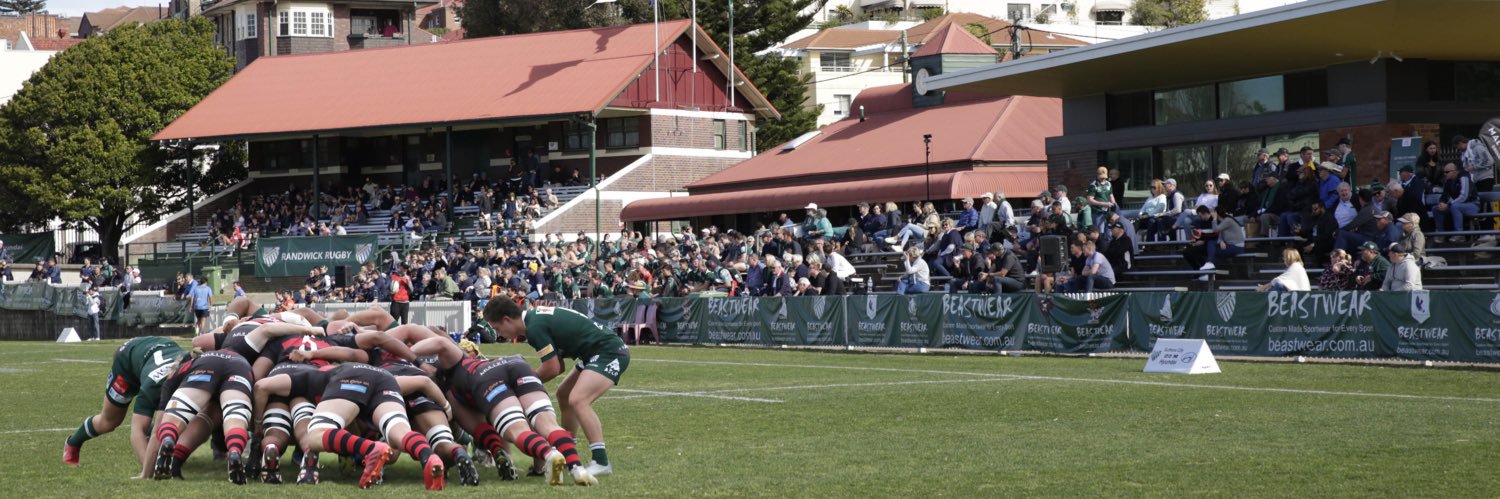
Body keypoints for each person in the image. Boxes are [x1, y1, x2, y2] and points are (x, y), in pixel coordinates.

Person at [483, 299, 627, 477]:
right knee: (564, 394)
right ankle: (568, 451)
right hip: (594, 352)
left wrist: (521, 386)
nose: (499, 334)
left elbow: (551, 368)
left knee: (579, 400)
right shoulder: (533, 320)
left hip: (608, 352)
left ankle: (601, 461)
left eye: (497, 328)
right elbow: (558, 365)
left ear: (507, 320)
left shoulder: (534, 327)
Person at [63, 336, 184, 467]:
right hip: (127, 360)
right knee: (109, 421)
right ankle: (73, 443)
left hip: (164, 347)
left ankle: (157, 436)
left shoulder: (195, 375)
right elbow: (137, 430)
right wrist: (150, 471)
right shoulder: (151, 389)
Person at [141, 349, 256, 484]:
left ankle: (168, 439)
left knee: (175, 417)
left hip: (203, 367)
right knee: (235, 417)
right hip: (240, 368)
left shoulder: (179, 371)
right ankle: (235, 451)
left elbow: (159, 425)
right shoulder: (231, 355)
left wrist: (146, 472)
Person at [1430, 162, 1480, 242]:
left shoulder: (1464, 177)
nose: (1445, 174)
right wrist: (1442, 203)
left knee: (1455, 206)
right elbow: (1444, 196)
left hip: (1472, 205)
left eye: (1447, 172)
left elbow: (1464, 196)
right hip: (1456, 206)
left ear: (1454, 171)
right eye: (1444, 172)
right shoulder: (1448, 182)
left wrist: (1448, 205)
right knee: (1436, 209)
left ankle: (1459, 234)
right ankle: (1441, 234)